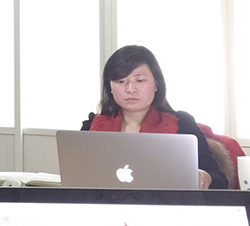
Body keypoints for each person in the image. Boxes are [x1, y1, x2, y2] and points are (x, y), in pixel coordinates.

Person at [81, 45, 227, 189]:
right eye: (120, 81)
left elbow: (220, 180)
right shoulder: (92, 125)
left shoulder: (182, 124)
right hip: (103, 203)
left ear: (156, 84)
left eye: (140, 80)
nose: (130, 89)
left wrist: (205, 177)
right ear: (110, 87)